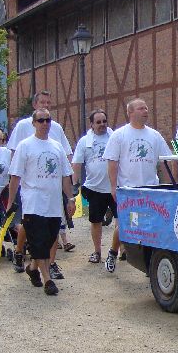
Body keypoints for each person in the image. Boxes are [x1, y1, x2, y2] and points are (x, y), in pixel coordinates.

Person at [6, 108, 75, 296]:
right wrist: (10, 202)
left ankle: (32, 268)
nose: (45, 123)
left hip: (53, 203)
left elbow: (65, 176)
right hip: (33, 202)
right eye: (41, 120)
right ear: (34, 123)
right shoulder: (25, 146)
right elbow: (15, 177)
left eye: (47, 120)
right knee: (38, 239)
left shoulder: (57, 147)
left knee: (50, 238)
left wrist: (70, 198)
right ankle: (48, 280)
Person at [103, 99, 174, 273]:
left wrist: (170, 185)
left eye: (146, 108)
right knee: (126, 225)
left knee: (152, 227)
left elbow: (167, 161)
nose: (145, 111)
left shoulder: (154, 136)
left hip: (151, 190)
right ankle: (113, 252)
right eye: (141, 108)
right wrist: (113, 187)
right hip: (129, 190)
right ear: (130, 112)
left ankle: (150, 263)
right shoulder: (119, 135)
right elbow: (112, 163)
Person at [72, 109, 118, 265]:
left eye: (104, 121)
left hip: (115, 187)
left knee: (121, 220)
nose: (102, 124)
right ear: (91, 124)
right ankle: (97, 251)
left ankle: (120, 250)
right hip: (95, 188)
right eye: (98, 122)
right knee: (96, 221)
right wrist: (74, 185)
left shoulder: (115, 137)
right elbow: (77, 164)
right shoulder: (84, 141)